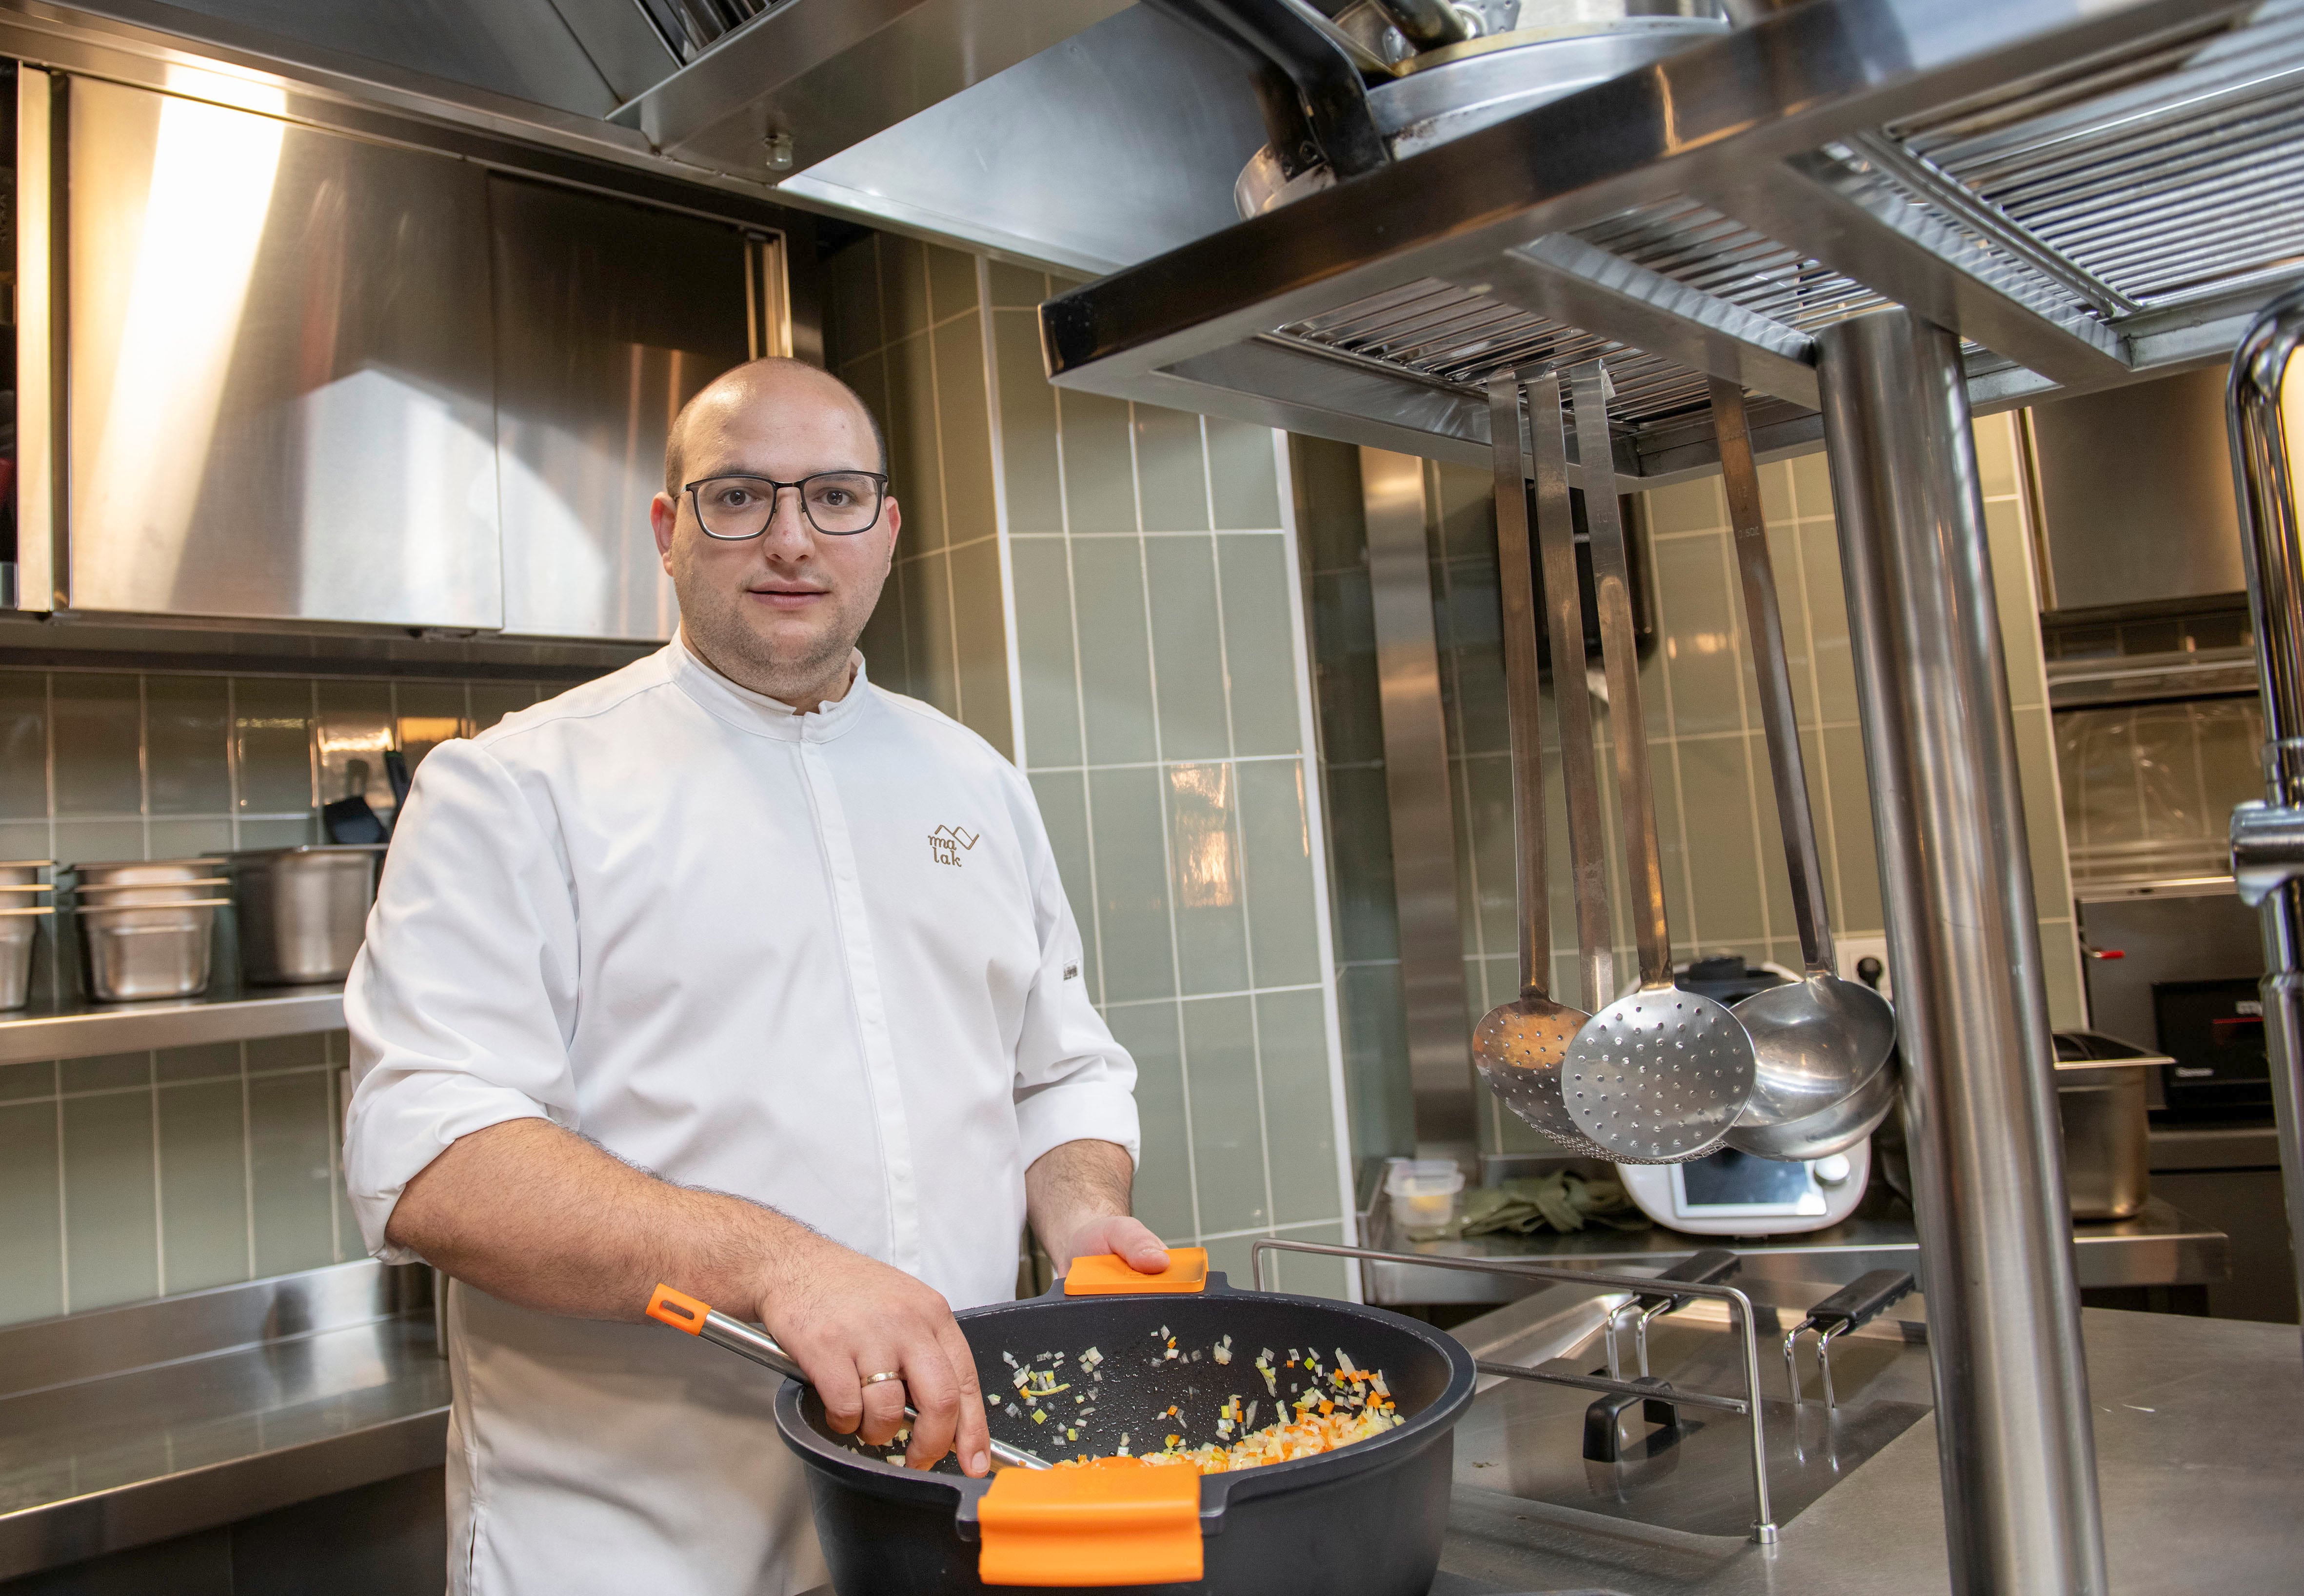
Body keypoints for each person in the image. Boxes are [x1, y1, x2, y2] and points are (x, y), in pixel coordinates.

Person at [342, 357, 1169, 1596]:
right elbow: (433, 1159)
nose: (791, 540)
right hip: (635, 1536)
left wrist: (1083, 1211)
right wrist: (785, 1266)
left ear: (888, 531)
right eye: (739, 498)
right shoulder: (516, 789)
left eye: (834, 497)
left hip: (943, 1507)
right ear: (671, 535)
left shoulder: (973, 783)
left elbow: (1058, 1072)